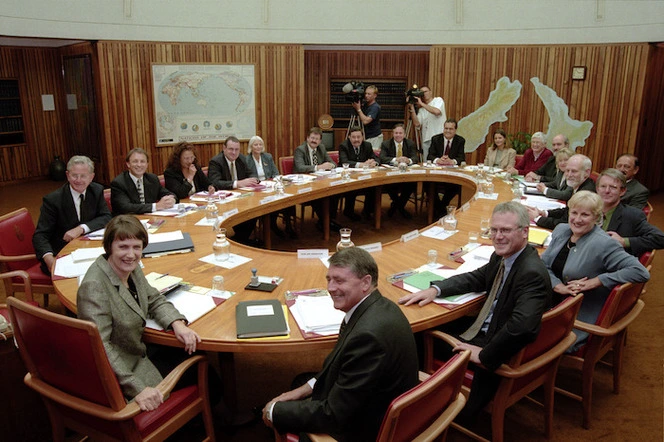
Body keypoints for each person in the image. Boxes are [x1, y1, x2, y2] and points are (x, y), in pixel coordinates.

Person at [399, 201, 552, 421]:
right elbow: (477, 277)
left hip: (494, 345)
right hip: (486, 330)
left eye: (506, 230)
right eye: (494, 230)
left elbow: (523, 327)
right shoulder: (504, 256)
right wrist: (436, 289)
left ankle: (425, 412)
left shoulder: (531, 273)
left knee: (415, 338)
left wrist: (485, 354)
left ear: (525, 231)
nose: (498, 236)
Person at [263, 247, 418, 441]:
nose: (330, 287)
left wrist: (274, 411)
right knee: (300, 382)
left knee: (281, 416)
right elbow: (345, 367)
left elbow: (333, 415)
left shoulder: (368, 337)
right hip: (373, 398)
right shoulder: (381, 306)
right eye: (329, 279)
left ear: (365, 282)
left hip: (365, 428)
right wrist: (302, 390)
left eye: (339, 280)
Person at [77, 215, 202, 410]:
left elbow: (152, 298)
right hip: (124, 371)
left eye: (137, 247)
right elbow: (99, 348)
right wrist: (138, 387)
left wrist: (177, 323)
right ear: (109, 247)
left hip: (137, 349)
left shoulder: (131, 268)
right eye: (123, 247)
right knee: (203, 373)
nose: (131, 254)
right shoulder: (94, 286)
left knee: (195, 351)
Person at [540, 191, 650, 350]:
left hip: (575, 314)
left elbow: (640, 272)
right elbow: (544, 264)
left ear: (596, 217)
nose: (577, 219)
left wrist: (596, 281)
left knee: (520, 338)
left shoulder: (603, 243)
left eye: (585, 215)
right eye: (574, 213)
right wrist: (558, 286)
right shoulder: (562, 230)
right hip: (552, 300)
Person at [33, 155, 111, 275]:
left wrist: (81, 228)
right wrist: (49, 258)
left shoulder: (96, 190)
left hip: (89, 249)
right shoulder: (53, 200)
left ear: (91, 177)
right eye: (74, 175)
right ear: (67, 175)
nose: (78, 180)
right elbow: (40, 235)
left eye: (83, 176)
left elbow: (106, 217)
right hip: (62, 254)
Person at [596, 169, 664, 257]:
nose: (607, 191)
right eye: (603, 186)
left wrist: (624, 242)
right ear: (597, 189)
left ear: (622, 191)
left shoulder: (632, 216)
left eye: (613, 187)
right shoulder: (586, 211)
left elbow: (660, 238)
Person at [208, 136, 260, 243]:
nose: (234, 153)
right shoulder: (216, 161)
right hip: (223, 201)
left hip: (240, 198)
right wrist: (237, 183)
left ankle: (241, 240)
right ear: (224, 148)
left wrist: (253, 179)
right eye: (231, 149)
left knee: (254, 211)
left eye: (237, 150)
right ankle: (241, 240)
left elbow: (252, 173)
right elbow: (215, 182)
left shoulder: (241, 158)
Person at [527, 154, 596, 229]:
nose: (569, 175)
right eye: (567, 170)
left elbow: (566, 222)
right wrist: (545, 213)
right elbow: (567, 211)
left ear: (587, 173)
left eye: (574, 171)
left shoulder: (586, 193)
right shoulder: (578, 185)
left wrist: (537, 218)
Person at [246, 135, 296, 238]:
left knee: (287, 199)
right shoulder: (246, 160)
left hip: (271, 186)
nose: (258, 147)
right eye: (256, 145)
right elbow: (247, 177)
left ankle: (289, 226)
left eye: (260, 144)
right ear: (251, 147)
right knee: (272, 203)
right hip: (257, 190)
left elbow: (275, 173)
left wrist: (274, 181)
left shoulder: (267, 157)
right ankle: (272, 225)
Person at [293, 127, 341, 232]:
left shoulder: (321, 148)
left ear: (320, 141)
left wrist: (330, 165)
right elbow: (300, 168)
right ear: (307, 138)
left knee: (335, 192)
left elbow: (333, 163)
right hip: (303, 184)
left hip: (320, 181)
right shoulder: (300, 150)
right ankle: (326, 222)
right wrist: (319, 167)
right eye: (312, 138)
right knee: (318, 196)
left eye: (316, 139)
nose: (314, 141)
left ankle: (328, 220)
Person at [111, 148, 176, 215]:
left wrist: (171, 199)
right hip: (128, 222)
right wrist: (156, 206)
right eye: (135, 161)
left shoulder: (152, 179)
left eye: (142, 161)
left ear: (147, 164)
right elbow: (126, 208)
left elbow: (168, 193)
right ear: (128, 164)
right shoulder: (119, 183)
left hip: (150, 219)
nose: (139, 165)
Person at [427, 119, 466, 216]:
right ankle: (440, 208)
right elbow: (430, 156)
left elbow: (461, 158)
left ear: (455, 130)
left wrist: (452, 161)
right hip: (435, 173)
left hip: (451, 174)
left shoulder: (460, 140)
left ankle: (440, 207)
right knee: (427, 185)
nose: (448, 131)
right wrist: (438, 160)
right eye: (446, 128)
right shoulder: (435, 139)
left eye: (451, 129)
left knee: (455, 186)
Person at [338, 126, 378, 221]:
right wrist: (362, 164)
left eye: (358, 137)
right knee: (352, 187)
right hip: (348, 177)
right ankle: (348, 212)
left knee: (374, 186)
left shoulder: (367, 145)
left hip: (364, 177)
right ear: (349, 137)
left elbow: (375, 158)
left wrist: (374, 162)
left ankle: (367, 211)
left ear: (362, 137)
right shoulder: (343, 146)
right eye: (353, 137)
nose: (356, 140)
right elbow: (344, 162)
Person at [379, 123, 418, 219]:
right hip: (391, 176)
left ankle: (396, 206)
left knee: (412, 184)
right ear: (393, 134)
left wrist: (408, 160)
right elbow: (382, 158)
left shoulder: (410, 143)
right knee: (388, 184)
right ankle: (400, 208)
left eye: (400, 133)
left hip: (407, 176)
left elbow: (415, 158)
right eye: (396, 133)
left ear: (404, 134)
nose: (398, 135)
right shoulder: (386, 144)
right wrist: (396, 160)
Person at [408, 85, 445, 161]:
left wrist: (421, 103)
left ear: (431, 92)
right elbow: (417, 124)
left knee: (439, 162)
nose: (424, 94)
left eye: (426, 91)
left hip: (439, 138)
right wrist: (412, 108)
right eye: (422, 92)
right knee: (427, 162)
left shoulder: (438, 100)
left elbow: (436, 112)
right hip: (426, 139)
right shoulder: (422, 110)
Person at [352, 84, 382, 150]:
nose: (366, 96)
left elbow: (365, 121)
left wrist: (358, 109)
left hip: (374, 137)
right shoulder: (366, 105)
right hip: (366, 135)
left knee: (373, 155)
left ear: (375, 96)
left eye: (369, 94)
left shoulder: (375, 107)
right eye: (366, 94)